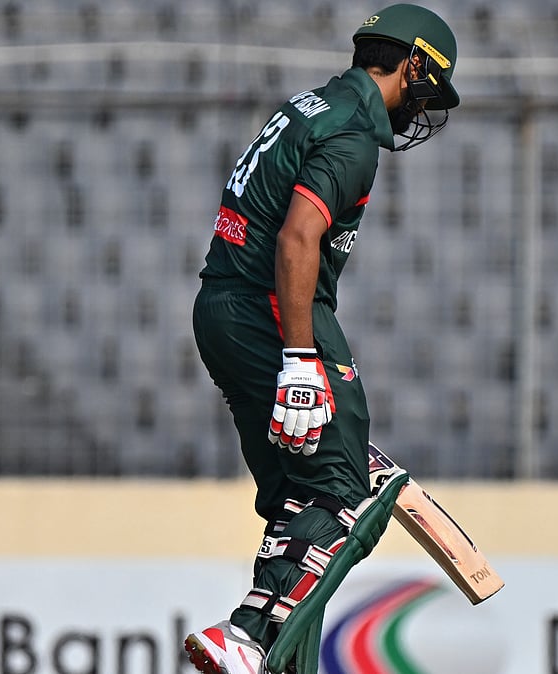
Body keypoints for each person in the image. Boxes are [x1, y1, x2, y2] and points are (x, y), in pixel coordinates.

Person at [185, 5, 461, 673]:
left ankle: (259, 641)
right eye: (429, 88)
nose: (424, 107)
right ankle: (247, 634)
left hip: (220, 306)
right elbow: (297, 238)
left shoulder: (311, 105)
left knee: (297, 492)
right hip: (267, 307)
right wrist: (303, 360)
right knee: (342, 490)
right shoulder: (352, 134)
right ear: (412, 64)